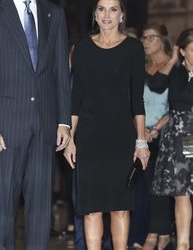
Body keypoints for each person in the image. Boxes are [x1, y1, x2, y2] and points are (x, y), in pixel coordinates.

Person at [0, 0, 71, 249]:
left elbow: (60, 69)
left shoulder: (54, 13)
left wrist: (63, 121)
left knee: (40, 208)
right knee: (4, 206)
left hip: (45, 124)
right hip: (4, 127)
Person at [63, 0, 150, 249]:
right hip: (89, 138)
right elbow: (75, 97)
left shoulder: (133, 48)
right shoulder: (82, 48)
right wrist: (70, 137)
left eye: (113, 9)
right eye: (101, 9)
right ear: (95, 15)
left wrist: (141, 141)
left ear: (122, 15)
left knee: (120, 208)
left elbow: (137, 99)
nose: (107, 14)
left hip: (121, 136)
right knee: (91, 209)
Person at [129, 23, 175, 250]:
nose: (145, 42)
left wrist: (156, 129)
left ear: (163, 40)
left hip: (164, 132)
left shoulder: (174, 68)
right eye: (144, 38)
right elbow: (132, 101)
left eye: (151, 38)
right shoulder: (140, 67)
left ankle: (161, 233)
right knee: (145, 186)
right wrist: (141, 130)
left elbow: (179, 103)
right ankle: (153, 232)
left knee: (161, 185)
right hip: (140, 132)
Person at [150, 28, 193, 250]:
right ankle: (183, 243)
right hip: (178, 136)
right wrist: (173, 59)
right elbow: (156, 84)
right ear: (183, 51)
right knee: (180, 191)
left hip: (191, 134)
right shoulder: (175, 72)